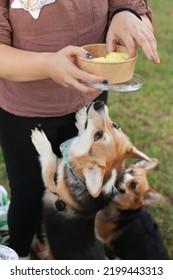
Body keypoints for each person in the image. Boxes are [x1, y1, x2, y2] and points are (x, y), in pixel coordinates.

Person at [0, 0, 159, 259]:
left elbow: (132, 8)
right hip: (24, 110)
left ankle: (51, 245)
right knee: (28, 196)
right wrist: (48, 65)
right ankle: (20, 251)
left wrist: (127, 15)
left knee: (78, 193)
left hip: (88, 104)